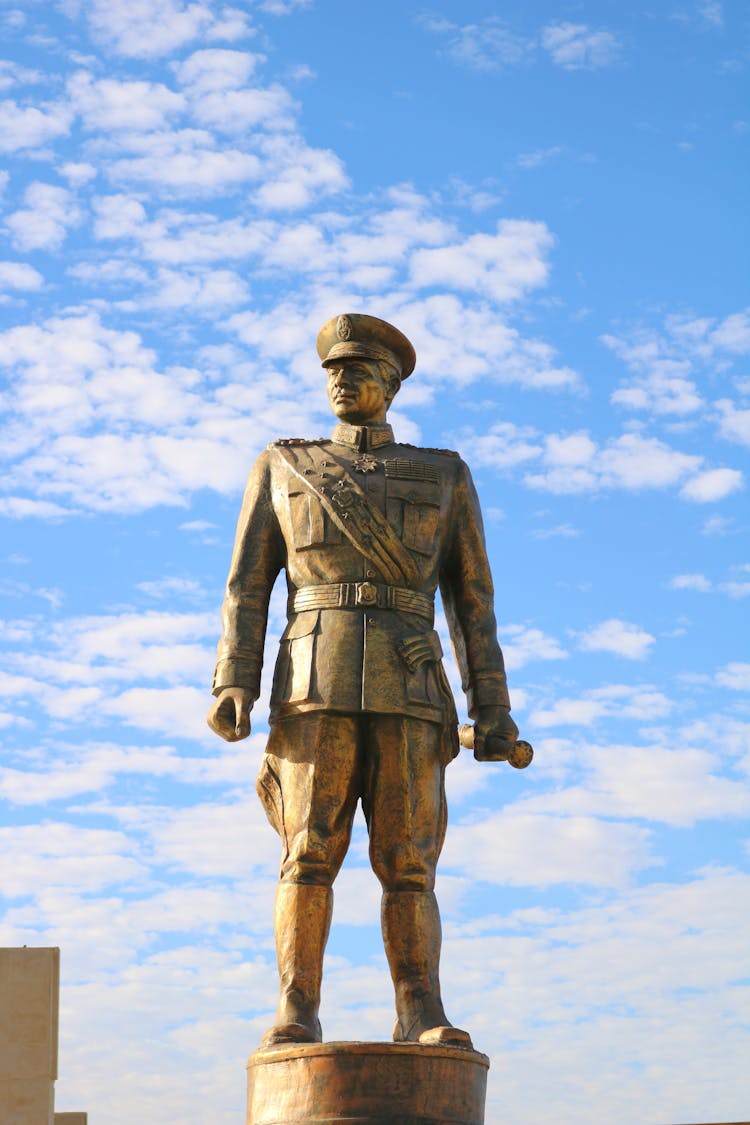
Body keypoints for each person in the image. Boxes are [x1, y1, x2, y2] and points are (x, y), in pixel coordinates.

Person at [207, 313, 518, 1049]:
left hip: (411, 685)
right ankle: (296, 1007)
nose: (342, 380)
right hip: (313, 678)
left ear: (391, 384)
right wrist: (234, 679)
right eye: (334, 370)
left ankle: (420, 1007)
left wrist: (494, 706)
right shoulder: (284, 467)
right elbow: (246, 586)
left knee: (409, 862)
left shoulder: (443, 475)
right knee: (308, 850)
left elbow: (472, 600)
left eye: (359, 370)